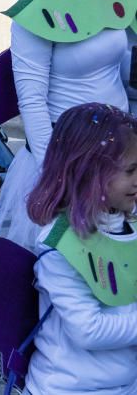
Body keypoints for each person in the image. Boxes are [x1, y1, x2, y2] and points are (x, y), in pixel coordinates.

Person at [0, 0, 133, 251]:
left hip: (120, 157)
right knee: (66, 277)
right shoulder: (37, 8)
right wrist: (54, 177)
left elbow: (126, 78)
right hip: (65, 157)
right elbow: (32, 100)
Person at [24, 103, 137, 394]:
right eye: (130, 171)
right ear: (89, 172)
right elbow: (89, 330)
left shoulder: (128, 225)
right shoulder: (59, 245)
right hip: (71, 387)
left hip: (122, 382)